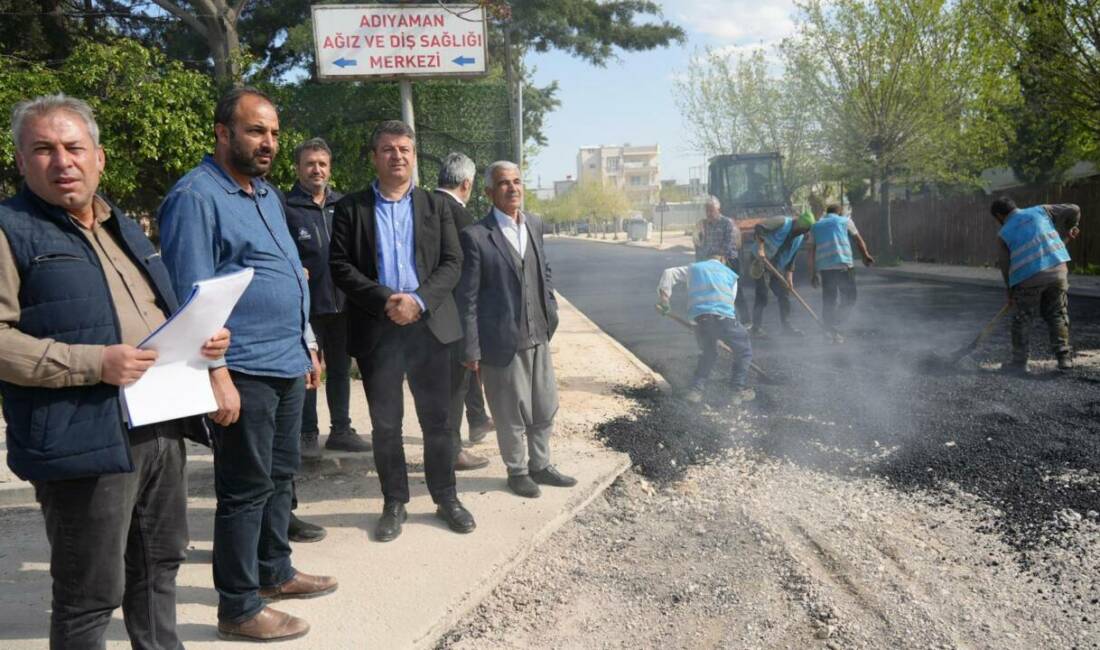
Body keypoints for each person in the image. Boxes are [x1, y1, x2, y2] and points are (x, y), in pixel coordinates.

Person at [0, 93, 230, 649]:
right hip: (81, 439)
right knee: (89, 593)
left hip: (158, 427)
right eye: (44, 150)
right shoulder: (9, 230)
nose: (63, 161)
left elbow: (151, 313)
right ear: (21, 161)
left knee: (159, 568)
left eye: (74, 147)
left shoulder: (120, 225)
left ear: (98, 157)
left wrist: (203, 344)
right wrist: (92, 363)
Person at [158, 87, 336, 642]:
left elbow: (290, 274)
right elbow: (192, 298)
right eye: (257, 131)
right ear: (223, 133)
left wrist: (306, 341)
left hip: (285, 361)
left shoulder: (264, 194)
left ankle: (274, 572)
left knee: (281, 475)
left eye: (275, 133)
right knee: (244, 488)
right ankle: (237, 606)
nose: (269, 143)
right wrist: (218, 376)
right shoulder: (196, 197)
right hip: (244, 371)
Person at [329, 120, 475, 542]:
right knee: (386, 425)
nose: (397, 156)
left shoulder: (437, 206)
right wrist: (385, 300)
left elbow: (453, 262)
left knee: (439, 421)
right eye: (388, 149)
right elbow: (340, 266)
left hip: (430, 330)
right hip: (379, 331)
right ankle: (394, 502)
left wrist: (418, 301)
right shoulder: (351, 208)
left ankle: (446, 497)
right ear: (375, 156)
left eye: (405, 150)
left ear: (414, 157)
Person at [457, 160, 577, 499]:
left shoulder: (535, 224)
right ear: (489, 192)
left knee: (544, 405)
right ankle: (517, 470)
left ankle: (541, 465)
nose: (513, 188)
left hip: (539, 334)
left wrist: (550, 309)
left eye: (517, 181)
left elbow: (545, 271)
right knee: (510, 411)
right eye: (504, 183)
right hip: (501, 342)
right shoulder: (476, 236)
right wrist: (472, 348)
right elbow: (468, 298)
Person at [284, 137, 370, 457]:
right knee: (309, 368)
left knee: (339, 369)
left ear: (329, 168)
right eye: (310, 163)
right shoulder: (286, 207)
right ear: (298, 168)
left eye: (322, 164)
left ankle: (341, 429)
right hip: (306, 306)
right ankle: (307, 433)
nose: (316, 169)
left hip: (343, 303)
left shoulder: (343, 205)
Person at [433, 152, 492, 472]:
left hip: (421, 313)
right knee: (456, 388)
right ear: (467, 183)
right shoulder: (464, 221)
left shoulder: (421, 206)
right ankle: (453, 451)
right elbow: (469, 278)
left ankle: (453, 439)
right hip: (454, 319)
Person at [990, 196, 1081, 374]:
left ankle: (1020, 363)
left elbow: (1005, 266)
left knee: (1022, 320)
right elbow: (1074, 208)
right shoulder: (1041, 210)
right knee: (1057, 314)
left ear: (1000, 216)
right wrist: (1072, 227)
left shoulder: (1003, 234)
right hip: (1058, 271)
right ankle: (1064, 359)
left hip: (1027, 279)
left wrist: (1010, 291)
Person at [657, 255, 754, 405]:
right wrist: (722, 333)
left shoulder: (695, 268)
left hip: (700, 319)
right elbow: (729, 304)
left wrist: (664, 301)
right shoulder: (730, 274)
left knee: (708, 353)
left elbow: (669, 273)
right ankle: (736, 391)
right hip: (724, 319)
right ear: (723, 259)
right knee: (744, 351)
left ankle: (695, 391)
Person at [807, 204, 874, 342]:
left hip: (825, 268)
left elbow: (811, 251)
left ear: (827, 213)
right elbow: (858, 240)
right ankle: (833, 324)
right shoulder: (845, 221)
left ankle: (829, 328)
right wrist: (865, 256)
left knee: (829, 300)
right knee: (850, 297)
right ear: (840, 213)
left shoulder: (815, 226)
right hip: (844, 264)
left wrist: (813, 273)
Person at [750, 211, 815, 337]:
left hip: (775, 265)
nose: (804, 233)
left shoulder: (799, 237)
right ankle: (756, 328)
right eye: (804, 230)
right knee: (762, 293)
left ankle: (787, 327)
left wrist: (789, 278)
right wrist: (761, 249)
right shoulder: (782, 221)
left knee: (783, 293)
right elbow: (759, 228)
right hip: (759, 259)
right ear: (799, 225)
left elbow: (791, 258)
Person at [693, 195, 749, 323]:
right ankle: (718, 321)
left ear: (718, 209)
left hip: (728, 261)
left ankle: (746, 321)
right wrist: (701, 260)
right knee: (712, 293)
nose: (708, 213)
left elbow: (729, 244)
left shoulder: (727, 222)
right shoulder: (704, 225)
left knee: (735, 291)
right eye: (707, 210)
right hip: (712, 262)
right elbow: (701, 244)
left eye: (711, 210)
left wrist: (718, 257)